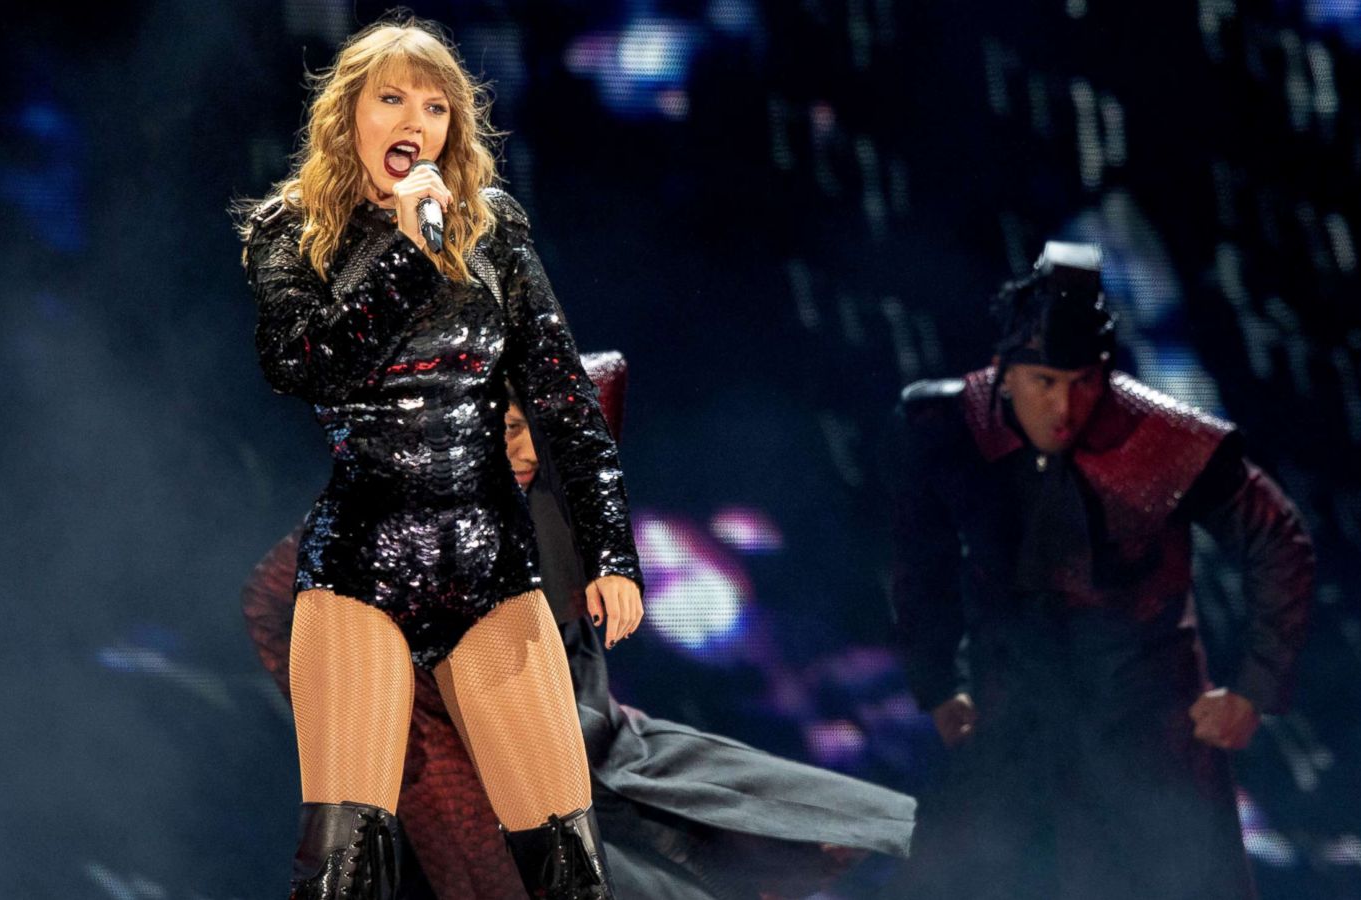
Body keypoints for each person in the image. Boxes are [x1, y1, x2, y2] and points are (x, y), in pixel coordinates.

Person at [242, 352, 917, 900]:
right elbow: (276, 599)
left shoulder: (552, 521)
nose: (525, 448)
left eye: (532, 427)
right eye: (505, 428)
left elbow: (589, 714)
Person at [236, 17, 642, 899]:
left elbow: (566, 401)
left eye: (436, 105)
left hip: (487, 560)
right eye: (392, 98)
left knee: (572, 872)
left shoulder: (492, 229)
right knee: (345, 872)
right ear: (351, 118)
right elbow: (301, 364)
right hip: (360, 568)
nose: (416, 118)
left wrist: (611, 553)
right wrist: (412, 259)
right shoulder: (291, 230)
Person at [886, 242, 1315, 899]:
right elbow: (921, 556)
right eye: (1045, 384)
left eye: (1084, 382)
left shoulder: (1163, 439)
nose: (1065, 407)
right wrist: (937, 683)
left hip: (1145, 731)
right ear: (1006, 372)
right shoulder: (955, 425)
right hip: (1014, 721)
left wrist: (1254, 686)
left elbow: (1277, 537)